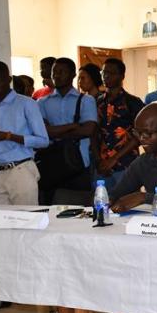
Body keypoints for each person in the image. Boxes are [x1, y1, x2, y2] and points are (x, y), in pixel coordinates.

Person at [37, 58, 98, 204]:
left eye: (61, 72)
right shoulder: (42, 102)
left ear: (72, 74)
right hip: (51, 163)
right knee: (51, 207)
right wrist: (72, 126)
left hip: (78, 163)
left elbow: (88, 130)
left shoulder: (86, 100)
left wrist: (55, 131)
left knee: (81, 207)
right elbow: (44, 132)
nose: (56, 76)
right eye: (54, 72)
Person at [0, 61, 49, 205]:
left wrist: (8, 136)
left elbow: (43, 140)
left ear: (8, 80)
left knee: (27, 220)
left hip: (20, 170)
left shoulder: (26, 103)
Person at [97, 58, 145, 191]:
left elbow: (140, 136)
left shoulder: (133, 102)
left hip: (126, 163)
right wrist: (99, 160)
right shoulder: (98, 102)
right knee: (102, 205)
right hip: (101, 165)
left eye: (111, 73)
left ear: (122, 76)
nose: (106, 76)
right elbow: (94, 133)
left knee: (127, 204)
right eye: (104, 72)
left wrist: (114, 159)